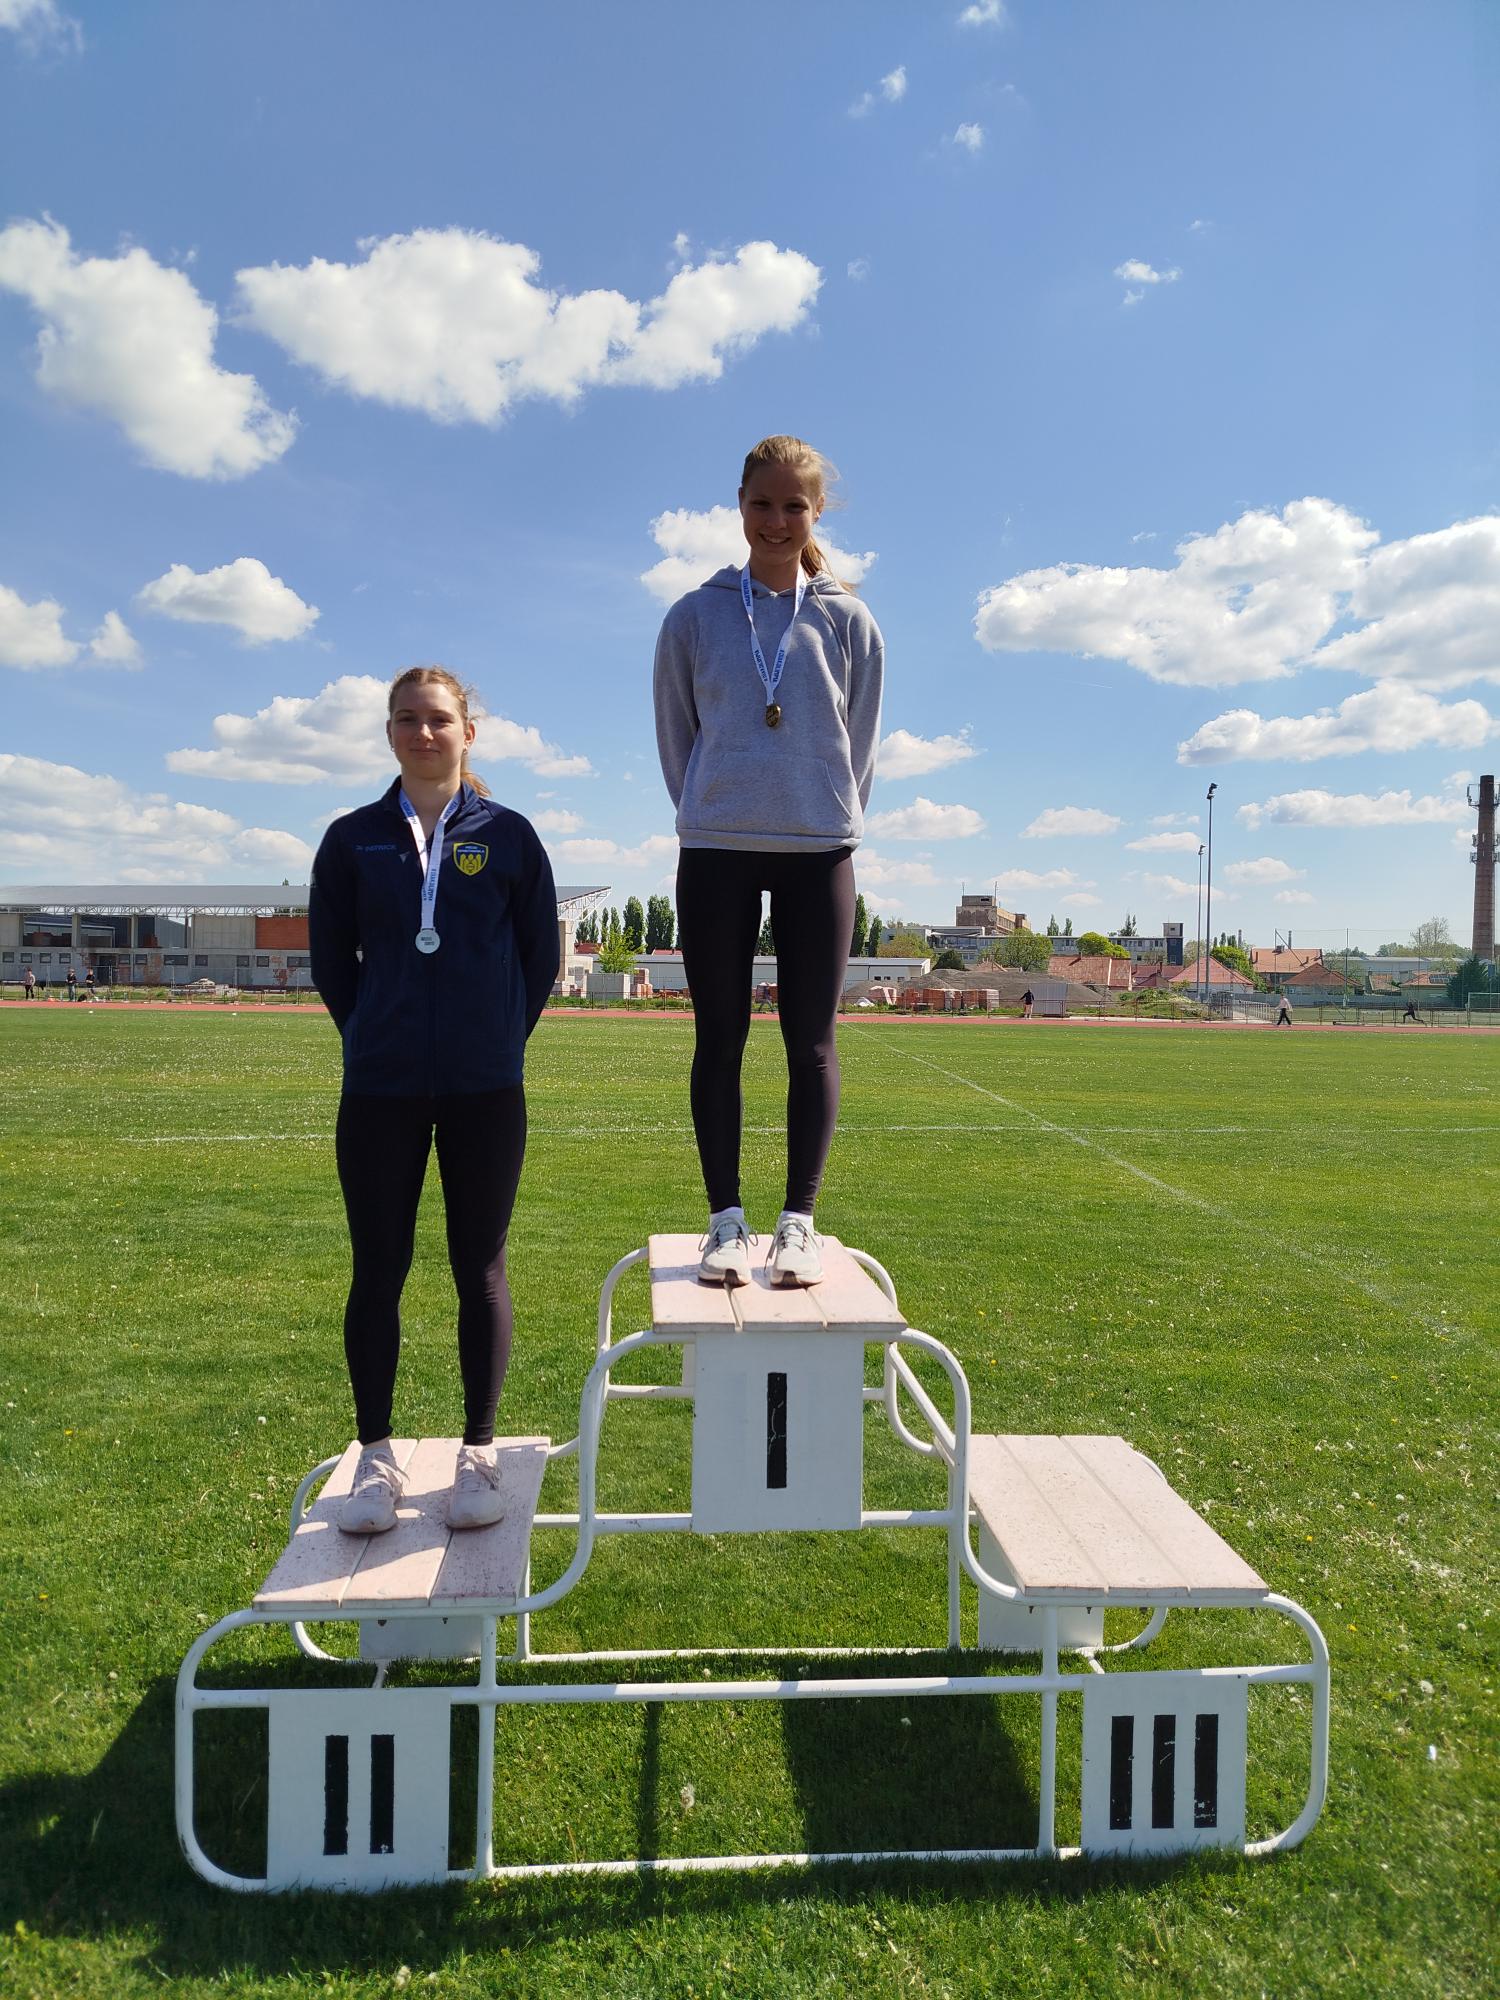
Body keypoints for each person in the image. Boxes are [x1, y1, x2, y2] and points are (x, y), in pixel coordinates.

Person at [310, 665, 559, 1536]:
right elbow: (331, 962)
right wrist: (371, 1032)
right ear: (389, 732)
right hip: (379, 1088)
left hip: (485, 1088)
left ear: (467, 732)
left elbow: (540, 959)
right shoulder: (352, 839)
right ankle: (375, 1457)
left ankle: (477, 1453)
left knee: (478, 1268)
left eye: (439, 720)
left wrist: (496, 1039)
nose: (424, 733)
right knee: (377, 1270)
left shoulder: (510, 836)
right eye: (407, 719)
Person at [654, 434, 884, 1289]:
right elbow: (677, 738)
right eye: (763, 504)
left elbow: (860, 744)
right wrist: (711, 806)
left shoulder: (849, 621)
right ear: (740, 506)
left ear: (816, 512)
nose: (777, 521)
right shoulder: (693, 616)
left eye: (795, 506)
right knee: (720, 1039)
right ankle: (724, 1222)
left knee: (810, 1044)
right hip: (716, 847)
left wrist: (828, 812)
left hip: (817, 850)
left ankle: (798, 1223)